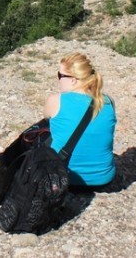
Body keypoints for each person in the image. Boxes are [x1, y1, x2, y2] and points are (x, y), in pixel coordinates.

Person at [43, 52, 116, 188]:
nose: (58, 80)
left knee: (43, 131)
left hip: (64, 179)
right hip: (104, 179)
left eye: (60, 75)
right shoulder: (108, 101)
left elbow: (46, 118)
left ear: (73, 80)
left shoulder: (55, 100)